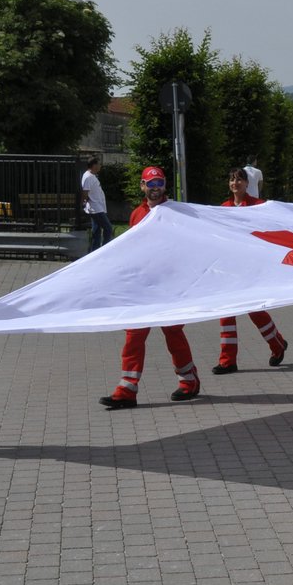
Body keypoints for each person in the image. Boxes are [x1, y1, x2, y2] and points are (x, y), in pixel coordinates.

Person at [100, 167, 202, 409]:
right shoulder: (136, 214)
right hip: (141, 285)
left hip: (169, 285)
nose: (155, 187)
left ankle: (189, 380)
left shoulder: (176, 212)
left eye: (159, 182)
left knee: (173, 332)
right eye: (150, 183)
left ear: (165, 185)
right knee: (134, 334)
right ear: (142, 186)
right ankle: (127, 388)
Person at [214, 168, 289, 373]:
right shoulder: (223, 208)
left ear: (247, 184)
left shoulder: (257, 206)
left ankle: (277, 344)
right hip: (228, 268)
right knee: (226, 313)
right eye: (231, 180)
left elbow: (271, 228)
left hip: (250, 268)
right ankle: (227, 360)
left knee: (255, 310)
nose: (235, 183)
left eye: (239, 180)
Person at [80, 155, 111, 254]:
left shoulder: (91, 176)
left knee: (96, 232)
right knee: (108, 228)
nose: (100, 166)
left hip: (97, 207)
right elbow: (85, 192)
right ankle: (104, 251)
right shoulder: (88, 177)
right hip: (95, 209)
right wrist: (83, 204)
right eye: (99, 164)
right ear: (94, 165)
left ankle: (94, 253)